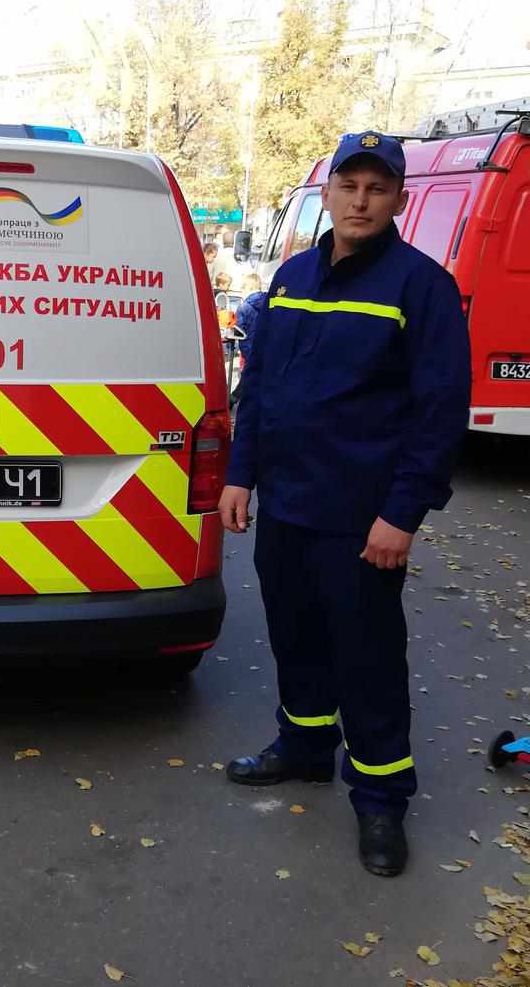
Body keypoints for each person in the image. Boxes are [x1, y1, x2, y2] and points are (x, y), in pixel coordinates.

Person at [219, 131, 471, 878]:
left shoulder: (422, 286)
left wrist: (403, 514)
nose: (360, 200)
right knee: (295, 639)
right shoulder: (294, 275)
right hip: (288, 508)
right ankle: (302, 749)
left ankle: (382, 800)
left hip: (363, 521)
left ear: (399, 197)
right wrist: (242, 473)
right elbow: (259, 387)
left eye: (377, 188)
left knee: (366, 660)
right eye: (348, 186)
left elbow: (440, 410)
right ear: (327, 193)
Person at [228, 273, 264, 407]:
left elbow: (238, 328)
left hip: (249, 347)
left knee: (248, 374)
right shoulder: (268, 303)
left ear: (247, 288)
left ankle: (234, 398)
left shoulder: (244, 307)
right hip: (265, 346)